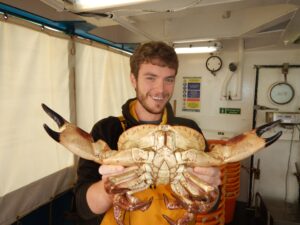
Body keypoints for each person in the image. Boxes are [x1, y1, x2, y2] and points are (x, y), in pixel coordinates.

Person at [74, 41, 221, 225]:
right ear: (133, 79)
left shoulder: (189, 131)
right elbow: (83, 207)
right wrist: (108, 188)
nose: (160, 89)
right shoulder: (107, 130)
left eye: (169, 79)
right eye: (150, 77)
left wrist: (210, 189)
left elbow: (212, 201)